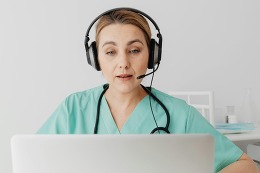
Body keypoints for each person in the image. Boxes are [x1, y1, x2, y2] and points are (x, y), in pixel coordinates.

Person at [37, 8, 259, 173]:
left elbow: (246, 166)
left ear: (152, 55)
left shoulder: (180, 114)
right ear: (95, 58)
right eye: (111, 52)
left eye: (134, 50)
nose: (123, 63)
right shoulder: (73, 109)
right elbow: (33, 162)